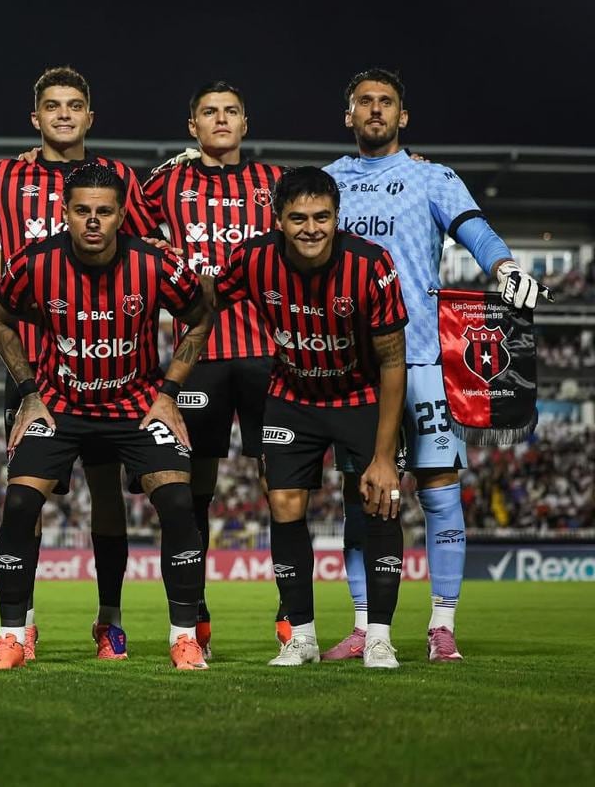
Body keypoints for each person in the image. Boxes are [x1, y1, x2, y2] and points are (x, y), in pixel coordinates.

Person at [323, 69, 540, 662]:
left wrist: (506, 268)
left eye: (386, 102)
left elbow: (476, 230)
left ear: (403, 116)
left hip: (422, 358)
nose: (375, 109)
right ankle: (365, 625)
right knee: (359, 496)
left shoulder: (432, 177)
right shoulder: (328, 183)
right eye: (364, 102)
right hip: (353, 366)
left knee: (440, 490)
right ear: (348, 115)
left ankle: (442, 624)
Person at [0, 162, 214, 671]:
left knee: (178, 502)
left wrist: (169, 391)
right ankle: (12, 637)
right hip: (59, 405)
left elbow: (199, 316)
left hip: (136, 404)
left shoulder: (154, 263)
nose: (93, 221)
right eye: (83, 210)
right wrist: (28, 391)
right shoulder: (34, 262)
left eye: (104, 211)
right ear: (65, 213)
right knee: (20, 503)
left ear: (122, 215)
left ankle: (184, 638)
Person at [0, 66, 161, 661]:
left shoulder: (117, 179)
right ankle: (21, 625)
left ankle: (109, 620)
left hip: (106, 368)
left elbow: (150, 247)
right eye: (52, 106)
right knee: (28, 494)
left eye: (74, 105)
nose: (63, 115)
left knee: (106, 491)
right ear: (36, 117)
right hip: (32, 366)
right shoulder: (7, 175)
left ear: (89, 116)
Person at [210, 166, 409, 669]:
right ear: (278, 219)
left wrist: (385, 456)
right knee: (283, 503)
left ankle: (379, 637)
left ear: (337, 217)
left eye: (322, 217)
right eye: (298, 218)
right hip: (292, 394)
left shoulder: (371, 264)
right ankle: (300, 636)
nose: (311, 228)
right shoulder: (253, 259)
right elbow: (207, 298)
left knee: (380, 501)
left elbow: (393, 360)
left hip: (360, 395)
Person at [142, 80, 285, 654]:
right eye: (209, 112)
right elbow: (118, 213)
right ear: (192, 126)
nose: (221, 120)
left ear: (245, 124)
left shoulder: (273, 181)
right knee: (191, 492)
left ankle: (292, 619)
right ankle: (193, 618)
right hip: (197, 357)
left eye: (231, 112)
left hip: (269, 353)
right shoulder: (168, 182)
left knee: (282, 486)